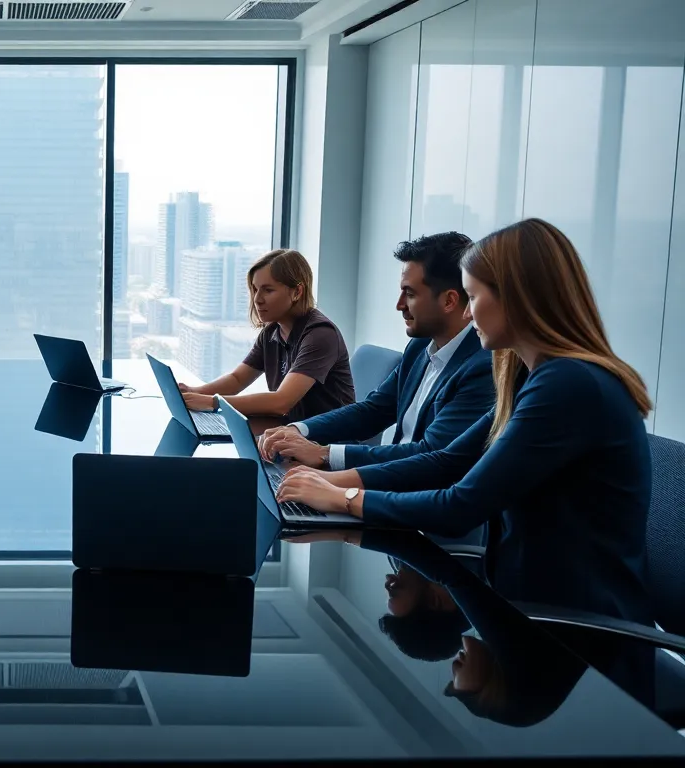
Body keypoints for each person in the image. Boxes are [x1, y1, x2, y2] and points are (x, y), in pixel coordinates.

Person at [278, 219, 654, 627]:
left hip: (579, 638)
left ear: (516, 298)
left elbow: (462, 505)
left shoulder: (568, 385)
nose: (469, 313)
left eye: (474, 297)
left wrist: (343, 498)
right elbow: (447, 461)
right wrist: (324, 481)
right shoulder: (530, 374)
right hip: (524, 602)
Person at [258, 232, 494, 471]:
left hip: (416, 494)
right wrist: (298, 430)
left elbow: (429, 453)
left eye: (410, 294)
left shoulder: (482, 367)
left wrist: (324, 455)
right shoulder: (420, 347)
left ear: (449, 301)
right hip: (385, 479)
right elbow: (373, 411)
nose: (399, 304)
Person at [177, 249, 355, 422]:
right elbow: (237, 379)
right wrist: (195, 392)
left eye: (268, 290)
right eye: (255, 290)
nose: (257, 299)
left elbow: (281, 402)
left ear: (297, 292)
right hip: (293, 430)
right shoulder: (271, 332)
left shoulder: (320, 335)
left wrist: (212, 402)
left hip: (327, 441)